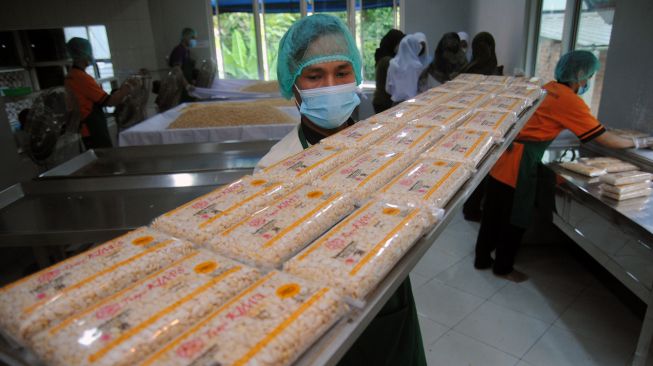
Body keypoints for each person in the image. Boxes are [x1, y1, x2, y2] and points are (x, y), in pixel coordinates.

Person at [255, 14, 427, 366]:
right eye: (315, 75)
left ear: (356, 76)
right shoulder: (272, 169)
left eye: (342, 73)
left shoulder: (390, 147)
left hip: (388, 303)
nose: (331, 85)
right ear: (293, 85)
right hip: (317, 313)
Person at [474, 50, 651, 282]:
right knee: (515, 216)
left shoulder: (547, 88)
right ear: (579, 78)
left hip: (504, 156)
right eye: (587, 77)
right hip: (520, 163)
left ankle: (482, 259)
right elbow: (603, 138)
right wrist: (638, 142)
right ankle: (503, 268)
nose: (587, 82)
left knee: (493, 212)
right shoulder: (570, 101)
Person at [65, 37, 134, 149]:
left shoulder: (71, 76)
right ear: (83, 55)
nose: (90, 56)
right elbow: (109, 101)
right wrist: (126, 89)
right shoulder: (81, 78)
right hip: (92, 129)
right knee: (103, 161)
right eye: (89, 52)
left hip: (86, 128)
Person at [385, 32, 429, 103]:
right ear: (416, 47)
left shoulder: (392, 63)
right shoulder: (418, 66)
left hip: (396, 103)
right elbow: (423, 89)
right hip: (413, 103)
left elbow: (388, 89)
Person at [373, 29, 405, 113]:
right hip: (385, 102)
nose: (400, 47)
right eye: (399, 44)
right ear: (393, 43)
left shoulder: (383, 56)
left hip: (381, 99)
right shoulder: (388, 61)